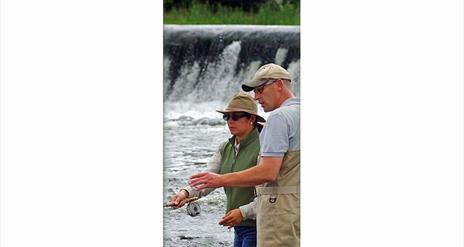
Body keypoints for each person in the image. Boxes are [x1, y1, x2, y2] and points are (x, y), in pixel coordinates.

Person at [189, 63, 300, 246]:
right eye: (227, 117)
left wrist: (220, 180)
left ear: (279, 84)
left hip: (279, 217)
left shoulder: (279, 118)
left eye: (260, 89)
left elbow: (268, 172)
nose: (256, 97)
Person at [170, 92, 266, 247]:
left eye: (235, 116)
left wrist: (243, 212)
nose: (230, 121)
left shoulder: (266, 146)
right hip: (238, 226)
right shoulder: (225, 147)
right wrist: (185, 193)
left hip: (260, 227)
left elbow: (270, 195)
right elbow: (208, 180)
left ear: (252, 119)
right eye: (226, 117)